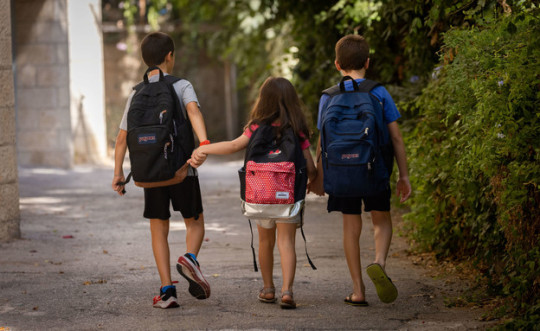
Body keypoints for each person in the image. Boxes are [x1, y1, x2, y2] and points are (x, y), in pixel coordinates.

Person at [190, 77, 317, 309]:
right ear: (292, 101)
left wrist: (203, 148)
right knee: (287, 242)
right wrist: (314, 180)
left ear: (263, 101)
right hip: (287, 197)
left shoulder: (255, 127)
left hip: (261, 197)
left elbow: (232, 146)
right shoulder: (297, 130)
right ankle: (287, 291)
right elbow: (310, 167)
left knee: (265, 242)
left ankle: (268, 289)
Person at [309, 34, 412, 306]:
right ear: (367, 62)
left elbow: (324, 140)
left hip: (342, 171)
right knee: (381, 219)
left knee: (350, 225)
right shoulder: (378, 92)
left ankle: (358, 290)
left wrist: (320, 176)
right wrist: (403, 175)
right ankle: (378, 262)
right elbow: (396, 138)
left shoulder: (328, 97)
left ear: (337, 64)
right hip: (374, 168)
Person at [111, 32, 211, 309]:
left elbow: (122, 137)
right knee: (195, 221)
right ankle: (189, 258)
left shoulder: (136, 92)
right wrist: (203, 145)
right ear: (170, 56)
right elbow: (193, 112)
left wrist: (119, 173)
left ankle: (167, 291)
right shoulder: (181, 85)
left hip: (150, 171)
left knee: (158, 228)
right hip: (180, 167)